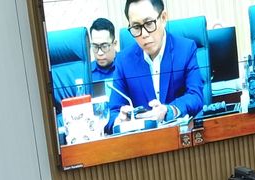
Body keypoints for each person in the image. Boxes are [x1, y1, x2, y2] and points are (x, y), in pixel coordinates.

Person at [107, 0, 205, 131]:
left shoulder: (185, 49)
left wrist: (169, 110)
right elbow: (113, 114)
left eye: (149, 23)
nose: (144, 34)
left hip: (181, 137)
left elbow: (195, 96)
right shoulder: (123, 61)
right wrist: (119, 120)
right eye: (136, 27)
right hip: (143, 143)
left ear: (163, 18)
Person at [88, 17, 117, 90]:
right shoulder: (87, 73)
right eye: (95, 46)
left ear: (114, 44)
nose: (100, 53)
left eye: (104, 46)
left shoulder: (126, 67)